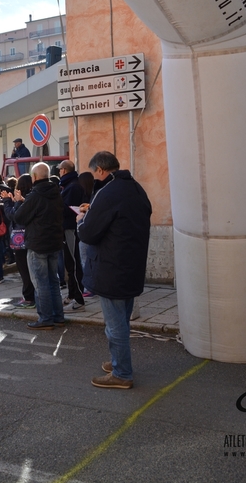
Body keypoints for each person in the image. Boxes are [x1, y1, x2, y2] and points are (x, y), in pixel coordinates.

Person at [77, 151, 151, 390]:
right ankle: (119, 362)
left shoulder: (107, 193)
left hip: (111, 268)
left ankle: (122, 373)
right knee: (121, 321)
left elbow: (89, 233)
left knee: (115, 324)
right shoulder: (135, 188)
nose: (94, 178)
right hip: (131, 265)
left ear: (100, 170)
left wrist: (82, 219)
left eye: (94, 173)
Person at [12, 162, 65, 329]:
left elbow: (19, 217)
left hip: (38, 243)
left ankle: (46, 318)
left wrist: (19, 202)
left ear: (34, 177)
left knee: (41, 283)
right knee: (53, 281)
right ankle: (58, 316)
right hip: (54, 241)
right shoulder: (56, 191)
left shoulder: (35, 195)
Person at [2, 173, 36, 308]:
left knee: (24, 269)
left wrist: (7, 201)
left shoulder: (23, 201)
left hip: (21, 239)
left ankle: (29, 298)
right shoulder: (32, 198)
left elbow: (12, 215)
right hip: (31, 237)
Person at [59, 160, 86, 310]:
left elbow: (68, 209)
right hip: (66, 228)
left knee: (74, 264)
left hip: (70, 228)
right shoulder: (68, 184)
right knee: (69, 264)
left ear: (64, 170)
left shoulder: (73, 186)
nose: (59, 172)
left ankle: (79, 298)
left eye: (60, 170)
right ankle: (71, 294)